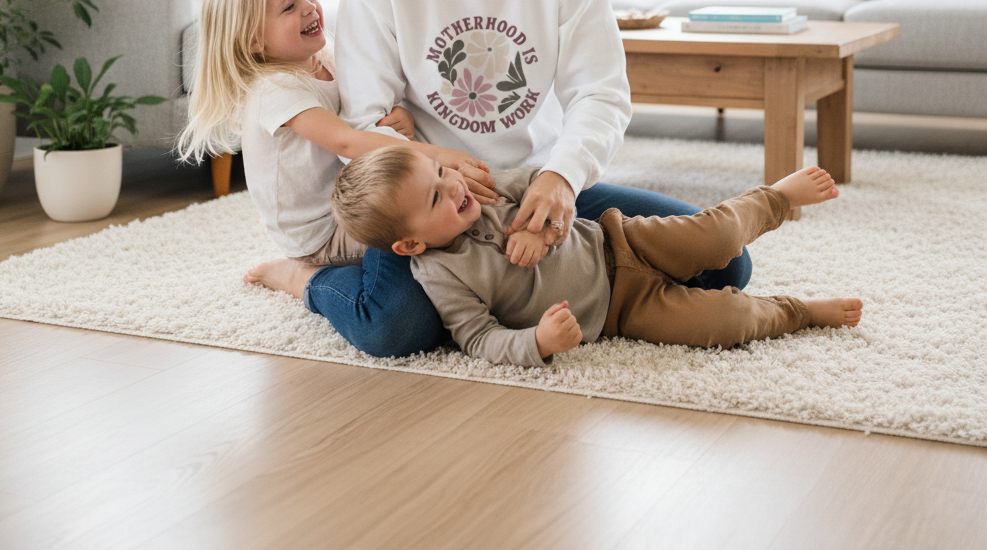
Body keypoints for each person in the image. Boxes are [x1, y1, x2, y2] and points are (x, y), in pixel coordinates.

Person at [318, 0, 754, 357]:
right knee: (395, 329)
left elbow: (600, 93)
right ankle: (307, 278)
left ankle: (530, 281)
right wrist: (432, 158)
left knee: (727, 264)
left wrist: (560, 181)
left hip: (537, 186)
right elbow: (366, 127)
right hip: (432, 211)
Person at [331, 145, 863, 368]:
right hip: (620, 312)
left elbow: (542, 186)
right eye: (434, 197)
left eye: (441, 172)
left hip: (619, 240)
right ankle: (800, 311)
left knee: (721, 242)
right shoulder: (439, 275)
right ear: (409, 246)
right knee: (725, 320)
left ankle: (777, 197)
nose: (455, 187)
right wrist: (536, 342)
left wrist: (542, 232)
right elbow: (476, 337)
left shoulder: (487, 191)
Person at [176, 0, 492, 297]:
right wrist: (441, 156)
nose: (310, 8)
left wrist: (400, 117)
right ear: (253, 41)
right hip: (320, 232)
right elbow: (348, 142)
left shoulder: (326, 57)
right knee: (442, 231)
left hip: (354, 199)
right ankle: (303, 277)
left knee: (450, 213)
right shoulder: (274, 89)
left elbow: (361, 115)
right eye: (289, 7)